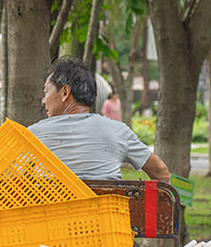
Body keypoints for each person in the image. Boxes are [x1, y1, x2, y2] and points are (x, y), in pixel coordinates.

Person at [30, 58, 170, 182]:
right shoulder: (118, 131)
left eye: (46, 91)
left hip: (52, 212)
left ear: (65, 92)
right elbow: (161, 172)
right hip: (104, 211)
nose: (43, 100)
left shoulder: (31, 137)